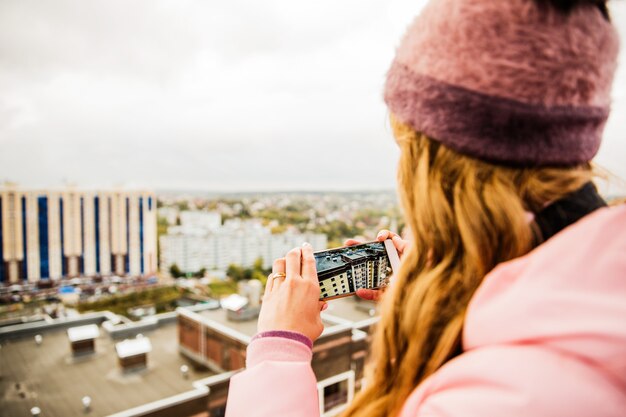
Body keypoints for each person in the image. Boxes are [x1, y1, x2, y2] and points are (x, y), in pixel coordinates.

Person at [225, 0, 625, 416]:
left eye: (407, 148)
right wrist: (445, 287)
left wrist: (279, 352)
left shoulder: (499, 398)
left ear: (439, 168)